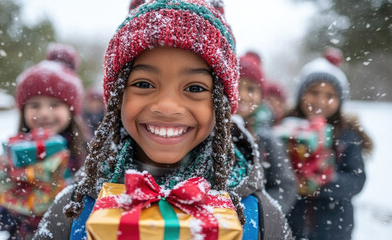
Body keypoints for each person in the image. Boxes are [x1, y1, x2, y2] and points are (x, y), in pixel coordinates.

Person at [33, 1, 292, 239]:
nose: (167, 106)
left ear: (222, 106)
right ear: (117, 98)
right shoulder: (75, 208)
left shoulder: (258, 215)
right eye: (144, 84)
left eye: (194, 88)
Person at [0, 43, 88, 240]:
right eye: (34, 105)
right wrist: (10, 199)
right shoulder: (13, 157)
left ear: (71, 110)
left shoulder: (85, 157)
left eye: (54, 104)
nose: (43, 113)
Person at [285, 47, 373, 240]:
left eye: (329, 96)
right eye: (313, 92)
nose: (320, 101)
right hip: (291, 223)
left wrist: (322, 183)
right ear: (301, 95)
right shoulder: (286, 128)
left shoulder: (347, 136)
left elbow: (356, 180)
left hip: (333, 227)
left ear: (340, 101)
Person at [235, 51, 297, 215]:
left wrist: (261, 215)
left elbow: (285, 186)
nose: (242, 95)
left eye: (250, 89)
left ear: (261, 96)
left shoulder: (268, 139)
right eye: (236, 85)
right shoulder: (208, 129)